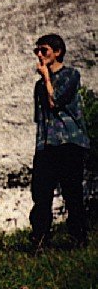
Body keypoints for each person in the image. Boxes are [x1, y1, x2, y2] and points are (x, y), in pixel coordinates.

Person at [29, 33, 90, 249]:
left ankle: (78, 238)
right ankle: (40, 239)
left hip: (69, 142)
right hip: (46, 144)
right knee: (40, 193)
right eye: (37, 51)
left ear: (57, 52)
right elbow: (40, 117)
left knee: (72, 193)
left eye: (44, 50)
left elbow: (55, 101)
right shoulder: (39, 86)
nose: (39, 55)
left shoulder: (71, 75)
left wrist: (47, 78)